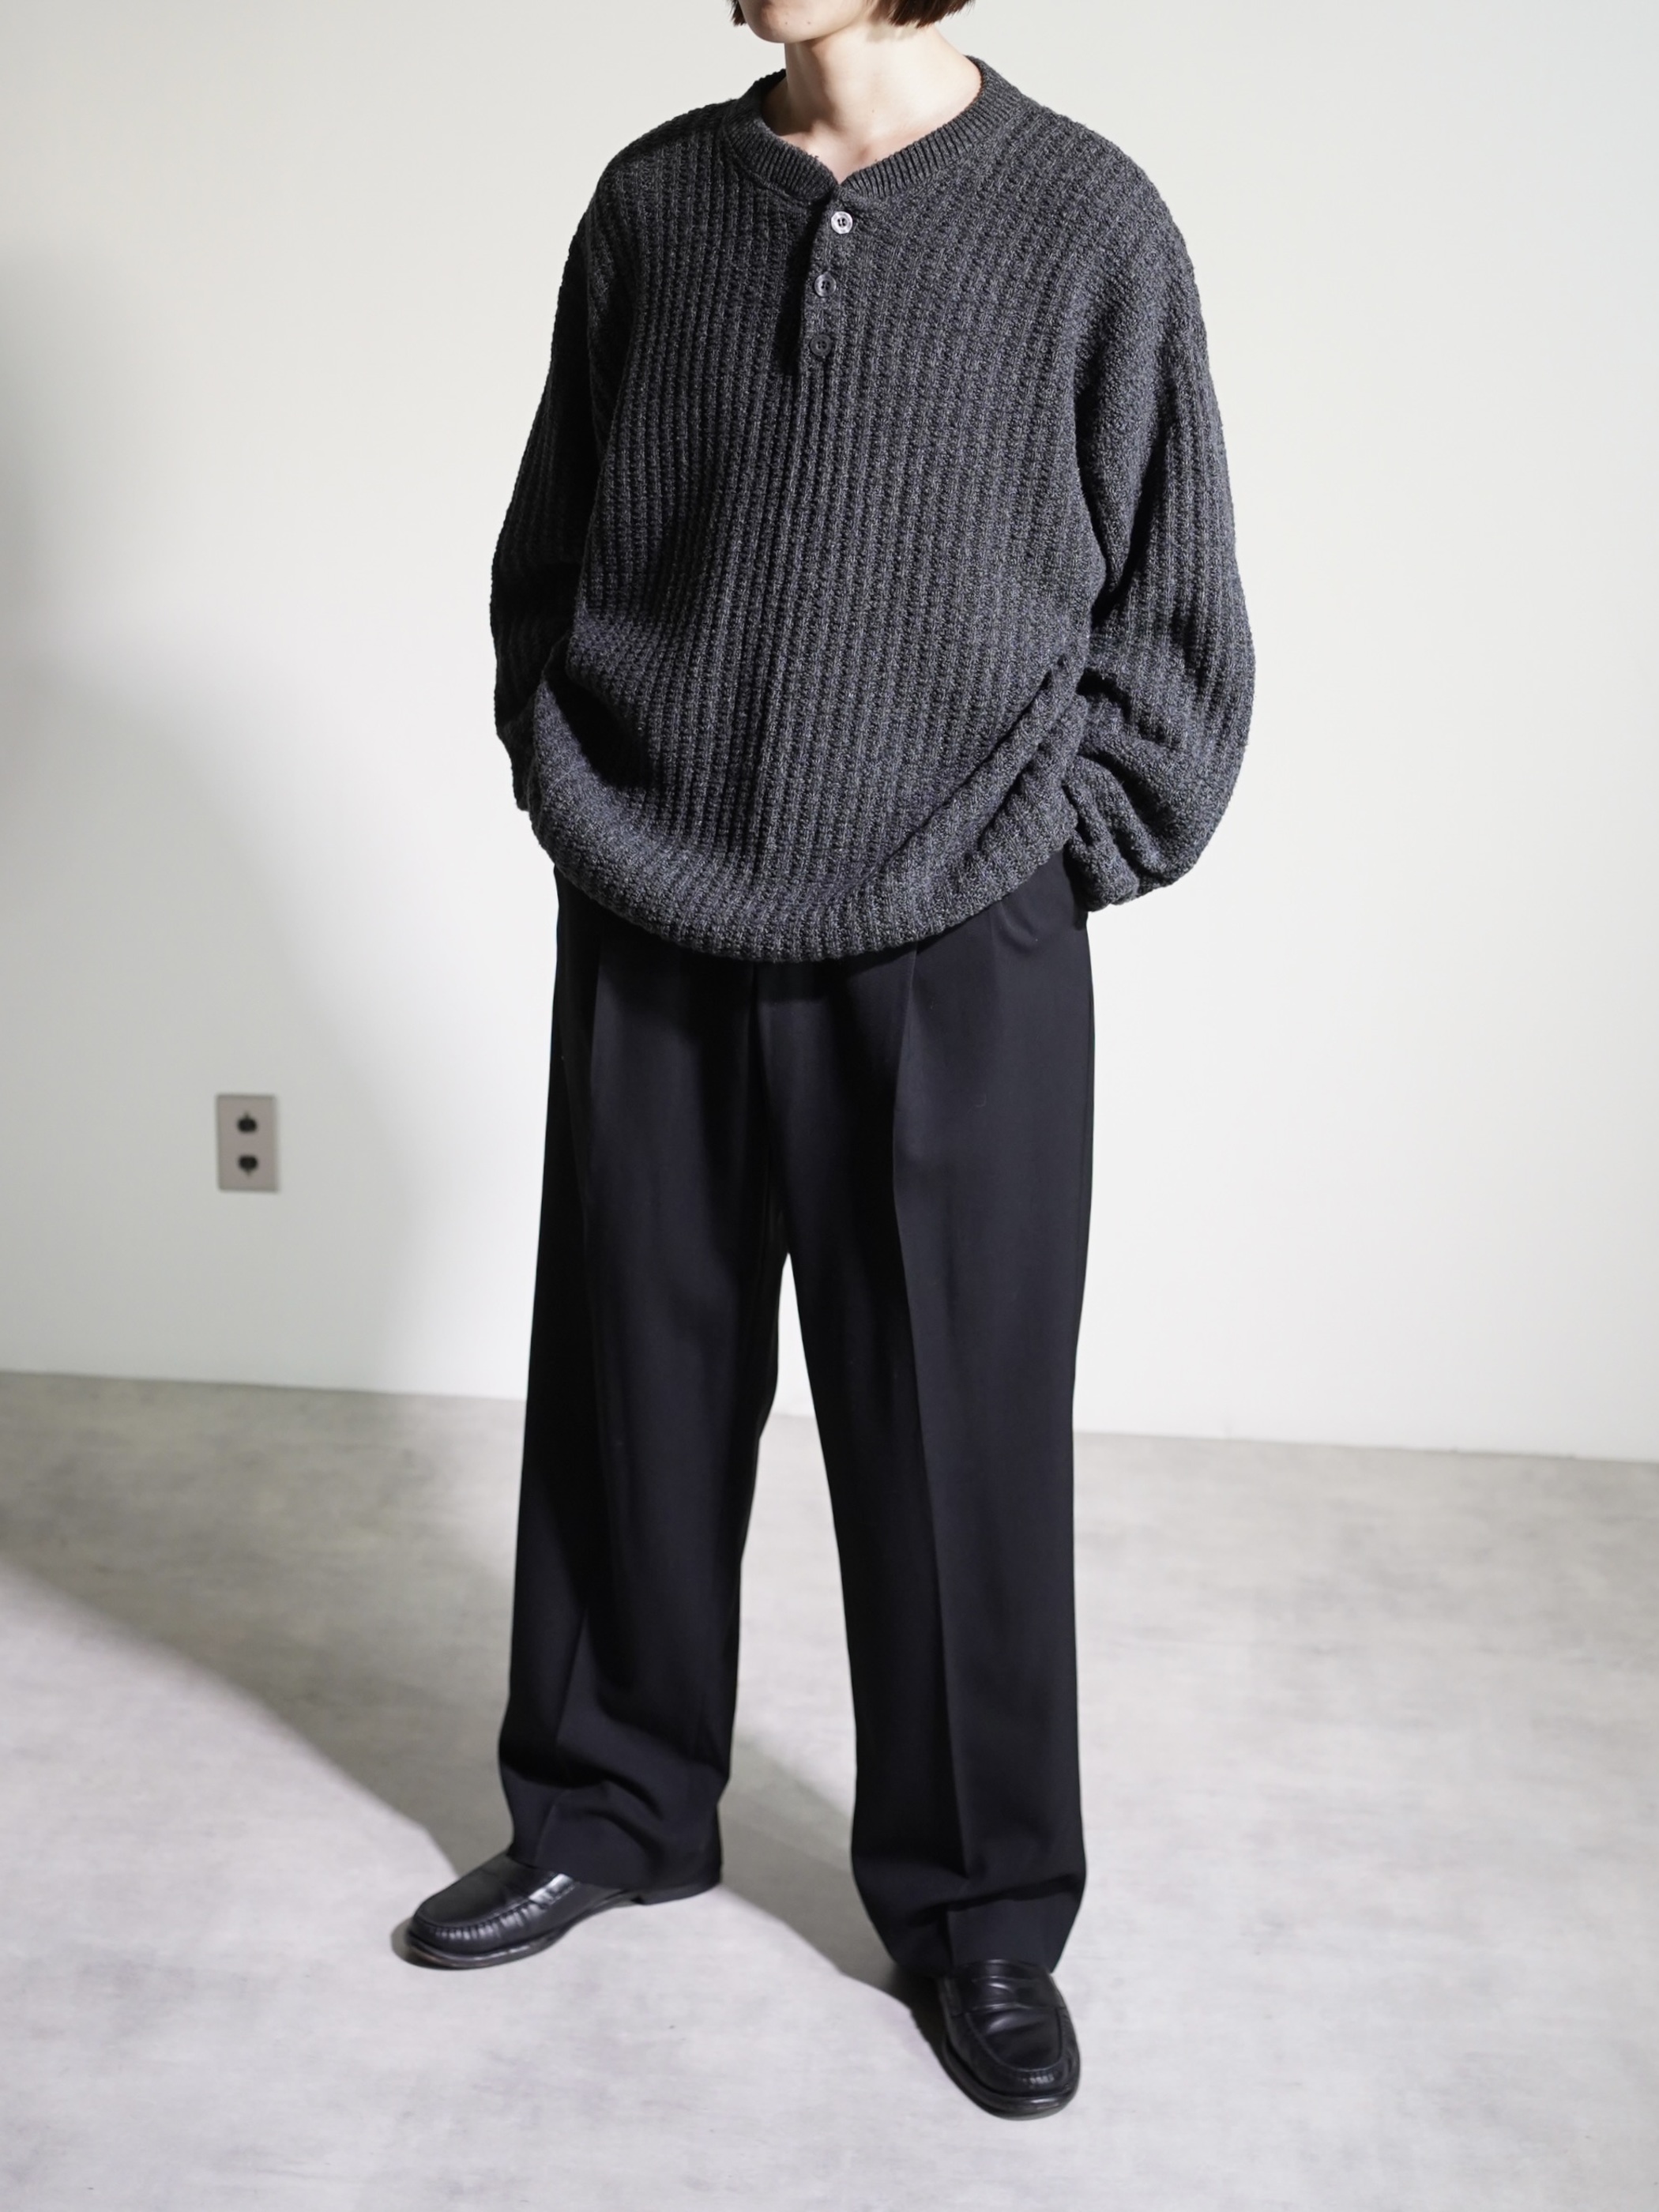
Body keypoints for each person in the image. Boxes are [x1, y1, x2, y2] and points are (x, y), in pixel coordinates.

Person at [404, 0, 1252, 2122]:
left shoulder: (1085, 221)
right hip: (658, 896)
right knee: (626, 1393)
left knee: (959, 1440)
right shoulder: (657, 202)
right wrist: (578, 784)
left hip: (958, 930)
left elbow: (1173, 614)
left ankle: (978, 1915)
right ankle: (607, 1809)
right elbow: (549, 550)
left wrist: (1043, 863)